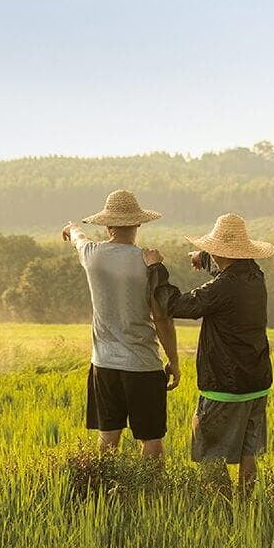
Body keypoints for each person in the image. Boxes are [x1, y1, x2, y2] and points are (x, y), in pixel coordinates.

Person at [144, 213, 274, 496]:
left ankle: (222, 508)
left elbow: (175, 305)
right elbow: (228, 273)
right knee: (247, 450)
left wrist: (156, 268)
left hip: (224, 385)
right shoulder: (255, 276)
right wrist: (204, 259)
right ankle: (246, 506)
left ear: (219, 250)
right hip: (257, 381)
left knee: (208, 451)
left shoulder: (221, 288)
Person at [62, 190, 181, 457]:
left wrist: (71, 228)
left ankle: (106, 491)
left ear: (107, 225)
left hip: (104, 364)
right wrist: (173, 359)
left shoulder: (92, 255)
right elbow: (162, 317)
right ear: (138, 224)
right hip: (143, 364)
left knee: (108, 438)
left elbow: (78, 239)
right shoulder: (149, 262)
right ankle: (150, 494)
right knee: (151, 440)